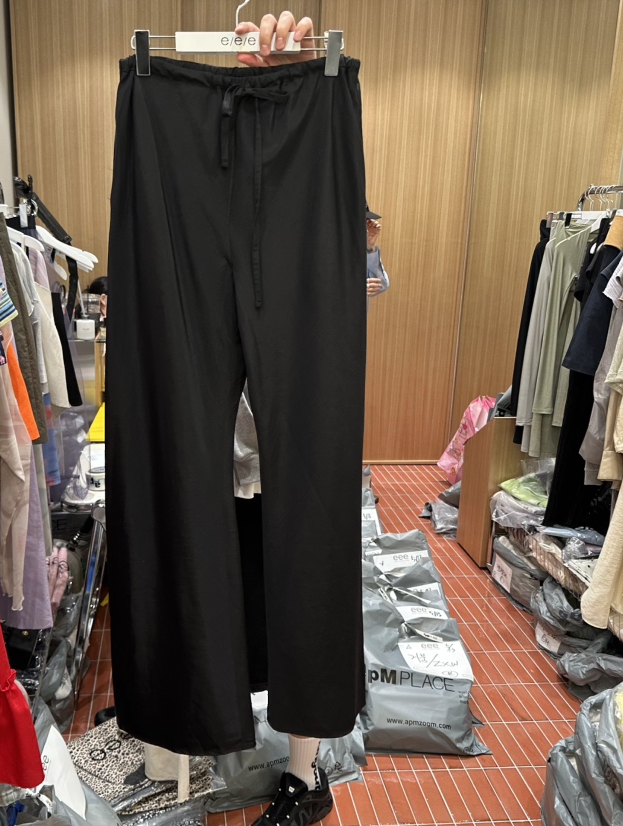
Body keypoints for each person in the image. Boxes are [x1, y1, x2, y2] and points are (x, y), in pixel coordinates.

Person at [230, 13, 366, 826]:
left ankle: (304, 772)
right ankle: (208, 718)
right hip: (225, 447)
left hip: (289, 441)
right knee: (233, 576)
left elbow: (358, 279)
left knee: (304, 571)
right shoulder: (204, 155)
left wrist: (298, 82)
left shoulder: (320, 169)